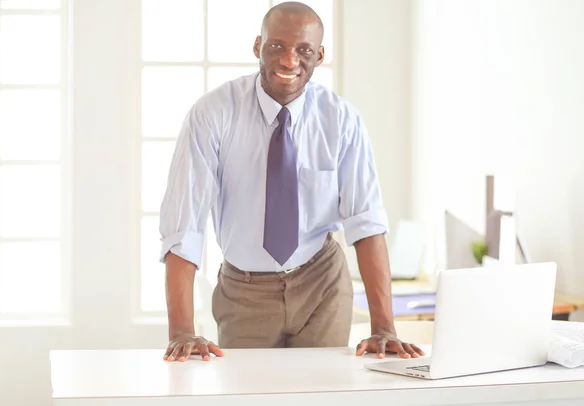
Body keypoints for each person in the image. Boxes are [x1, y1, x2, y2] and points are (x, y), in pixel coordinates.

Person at [159, 1, 424, 362]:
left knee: (323, 393)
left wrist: (384, 328)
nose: (288, 61)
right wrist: (182, 332)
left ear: (319, 55)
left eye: (303, 50)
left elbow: (366, 223)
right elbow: (184, 227)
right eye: (276, 47)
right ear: (257, 46)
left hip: (322, 283)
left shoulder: (341, 120)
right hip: (245, 290)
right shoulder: (213, 114)